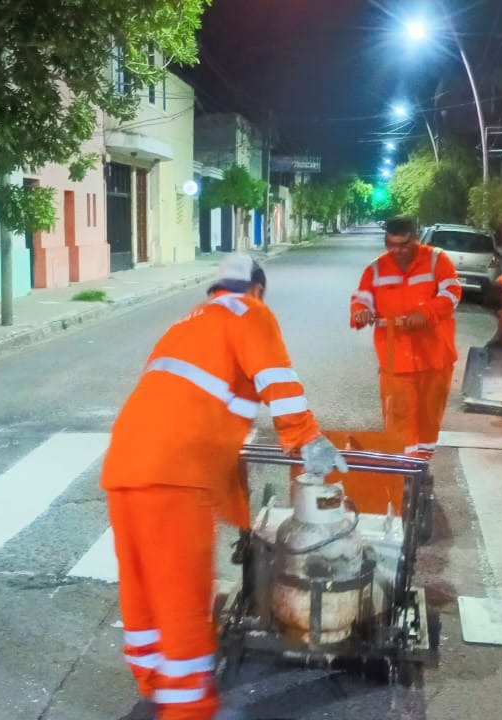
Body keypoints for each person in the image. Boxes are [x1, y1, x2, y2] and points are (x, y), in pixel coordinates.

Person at [101, 253, 347, 720]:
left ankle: (154, 683)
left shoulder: (183, 326)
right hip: (176, 473)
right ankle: (188, 708)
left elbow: (197, 406)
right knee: (182, 599)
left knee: (143, 588)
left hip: (125, 467)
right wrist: (306, 437)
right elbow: (277, 377)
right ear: (257, 289)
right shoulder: (250, 311)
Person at [349, 216, 462, 458]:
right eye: (391, 245)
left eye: (404, 245)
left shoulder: (436, 260)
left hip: (434, 356)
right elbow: (362, 298)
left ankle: (420, 468)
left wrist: (425, 312)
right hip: (395, 358)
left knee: (429, 420)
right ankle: (404, 471)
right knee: (398, 418)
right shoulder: (376, 269)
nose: (397, 251)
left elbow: (452, 293)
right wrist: (360, 312)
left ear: (416, 237)